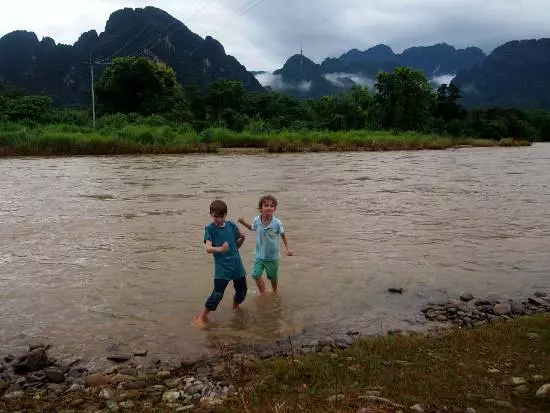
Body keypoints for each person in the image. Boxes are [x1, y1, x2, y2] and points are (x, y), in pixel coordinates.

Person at [195, 199, 247, 327]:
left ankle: (235, 307)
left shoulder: (231, 226)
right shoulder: (209, 229)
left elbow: (236, 247)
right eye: (215, 216)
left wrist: (243, 239)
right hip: (222, 268)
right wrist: (220, 249)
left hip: (236, 265)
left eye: (221, 216)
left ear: (226, 214)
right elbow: (208, 248)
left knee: (242, 291)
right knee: (217, 294)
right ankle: (202, 317)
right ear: (211, 215)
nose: (219, 219)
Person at [238, 195, 292, 295]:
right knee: (255, 274)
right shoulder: (257, 220)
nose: (269, 207)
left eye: (272, 206)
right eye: (266, 205)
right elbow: (253, 228)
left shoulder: (277, 223)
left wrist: (288, 249)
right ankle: (263, 293)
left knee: (272, 277)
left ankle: (275, 291)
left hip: (272, 256)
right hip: (260, 255)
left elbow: (283, 235)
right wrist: (243, 222)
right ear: (260, 208)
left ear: (274, 209)